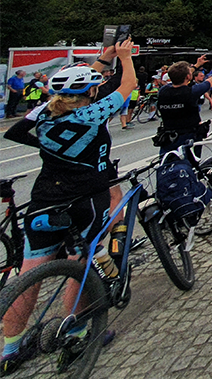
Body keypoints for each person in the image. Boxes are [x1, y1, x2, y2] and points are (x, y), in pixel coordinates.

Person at [0, 40, 136, 373]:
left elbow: (17, 131)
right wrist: (124, 58)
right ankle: (74, 334)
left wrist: (46, 145)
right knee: (81, 264)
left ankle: (9, 350)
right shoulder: (93, 112)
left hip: (44, 199)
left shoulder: (45, 111)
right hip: (85, 199)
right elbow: (128, 85)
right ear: (90, 92)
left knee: (29, 274)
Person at [156, 54, 212, 154]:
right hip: (188, 135)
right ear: (189, 77)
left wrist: (196, 65)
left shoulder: (163, 91)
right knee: (189, 163)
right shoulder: (192, 92)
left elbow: (178, 75)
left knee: (166, 163)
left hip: (168, 136)